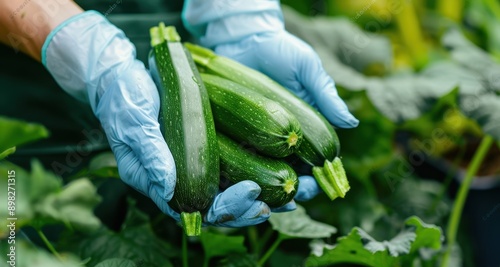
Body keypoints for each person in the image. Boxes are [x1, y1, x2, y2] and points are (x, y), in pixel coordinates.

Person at [0, 0, 358, 227]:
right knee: (42, 235)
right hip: (34, 92)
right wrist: (83, 49)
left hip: (186, 66)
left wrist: (238, 13)